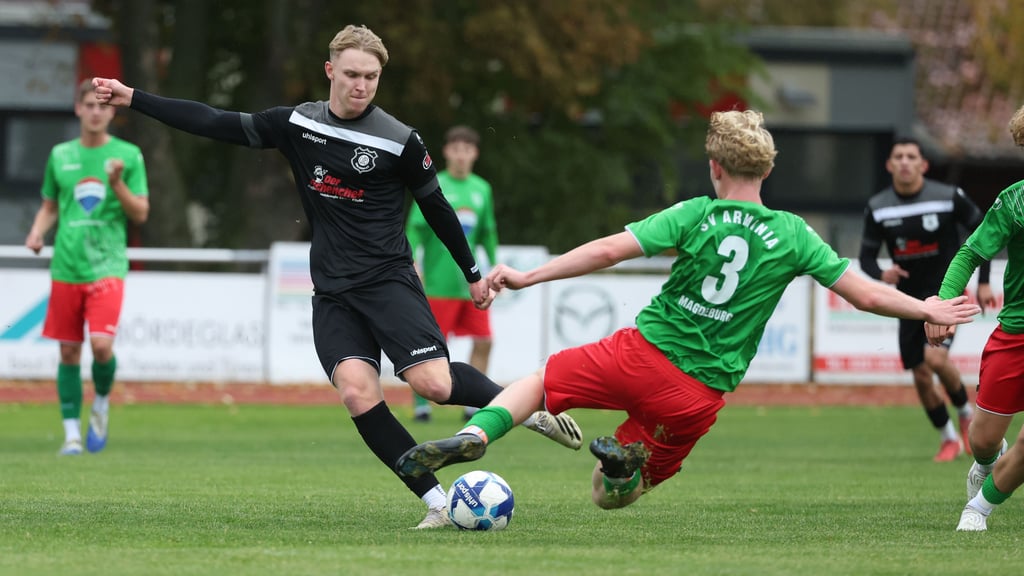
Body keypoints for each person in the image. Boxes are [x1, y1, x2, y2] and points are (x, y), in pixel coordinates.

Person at [90, 24, 580, 529]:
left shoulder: (400, 140)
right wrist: (134, 98)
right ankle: (436, 503)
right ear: (330, 71)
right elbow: (215, 120)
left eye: (370, 76)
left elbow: (437, 208)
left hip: (388, 280)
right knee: (356, 392)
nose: (360, 85)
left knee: (432, 385)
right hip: (333, 291)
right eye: (351, 74)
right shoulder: (298, 124)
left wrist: (473, 273)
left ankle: (523, 403)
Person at [395, 110, 982, 511]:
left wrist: (530, 274)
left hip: (637, 354)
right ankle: (623, 468)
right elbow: (865, 292)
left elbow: (606, 251)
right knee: (607, 495)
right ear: (769, 170)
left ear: (714, 167)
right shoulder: (795, 235)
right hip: (696, 397)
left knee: (539, 381)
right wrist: (924, 304)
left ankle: (476, 432)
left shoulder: (695, 214)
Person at [24, 78, 149, 457]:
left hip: (107, 265)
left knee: (101, 346)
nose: (96, 112)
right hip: (66, 266)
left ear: (112, 111)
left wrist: (116, 184)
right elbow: (50, 205)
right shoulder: (61, 155)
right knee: (67, 353)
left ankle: (101, 402)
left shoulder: (128, 156)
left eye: (102, 106)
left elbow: (140, 213)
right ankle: (71, 437)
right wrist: (35, 233)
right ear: (79, 109)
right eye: (89, 105)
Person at [859, 137, 995, 462]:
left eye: (911, 156)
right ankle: (948, 438)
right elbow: (865, 259)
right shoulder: (878, 207)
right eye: (898, 157)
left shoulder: (947, 197)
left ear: (923, 164)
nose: (905, 162)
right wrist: (881, 274)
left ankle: (965, 415)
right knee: (920, 374)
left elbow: (986, 233)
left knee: (935, 360)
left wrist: (985, 283)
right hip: (908, 303)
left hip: (946, 295)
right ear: (889, 165)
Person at [926, 103, 1024, 532]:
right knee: (982, 440)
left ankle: (978, 509)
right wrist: (944, 303)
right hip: (1017, 333)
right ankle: (987, 461)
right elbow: (970, 253)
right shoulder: (1015, 201)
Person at [406, 125, 498, 423]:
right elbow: (415, 229)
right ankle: (422, 405)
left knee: (484, 340)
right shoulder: (435, 183)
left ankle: (474, 405)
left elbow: (488, 233)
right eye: (455, 149)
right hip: (438, 282)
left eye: (467, 149)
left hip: (470, 283)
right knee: (431, 346)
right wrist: (413, 261)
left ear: (475, 154)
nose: (461, 155)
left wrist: (495, 267)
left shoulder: (482, 188)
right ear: (446, 152)